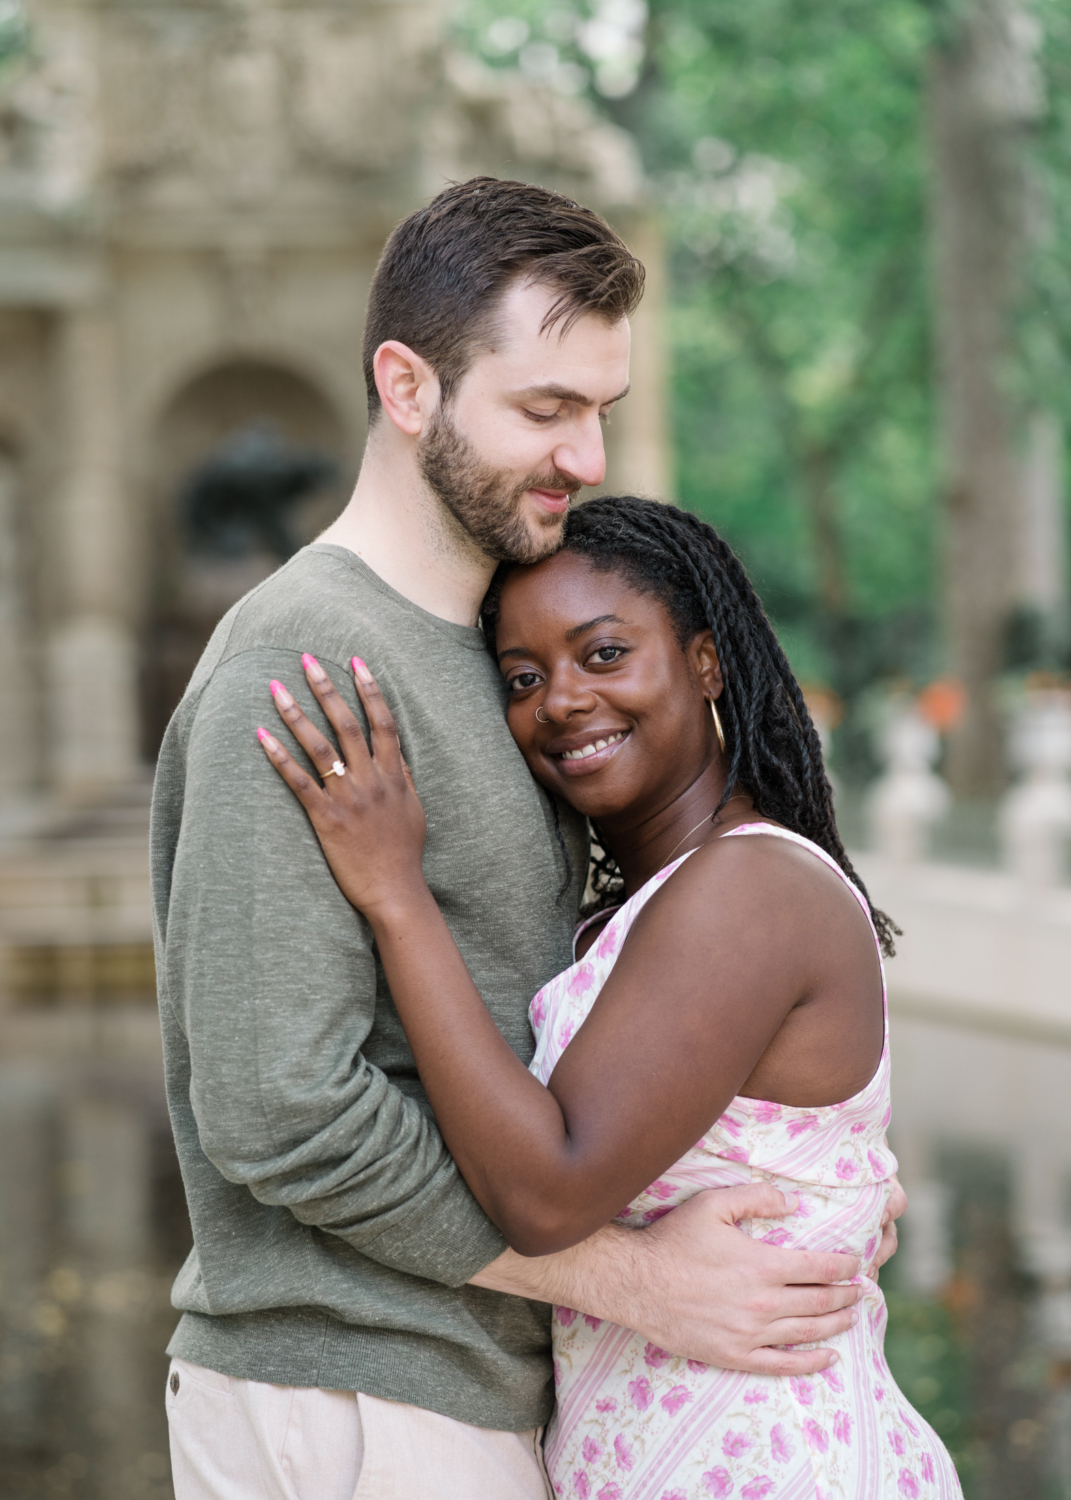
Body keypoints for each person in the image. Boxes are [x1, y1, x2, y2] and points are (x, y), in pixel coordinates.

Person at [154, 178, 900, 1500]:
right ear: (405, 387)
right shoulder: (308, 654)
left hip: (483, 1394)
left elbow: (594, 1039)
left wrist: (818, 1199)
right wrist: (631, 1280)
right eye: (542, 410)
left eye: (597, 413)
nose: (584, 458)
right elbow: (279, 1114)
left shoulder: (499, 650)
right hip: (355, 1393)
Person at [258, 496, 957, 1499]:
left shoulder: (748, 889)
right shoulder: (656, 907)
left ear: (708, 663)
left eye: (604, 654)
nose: (563, 702)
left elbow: (546, 1190)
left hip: (781, 1464)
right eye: (524, 679)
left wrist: (396, 894)